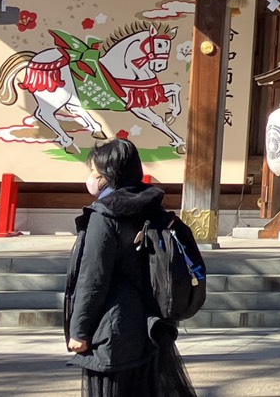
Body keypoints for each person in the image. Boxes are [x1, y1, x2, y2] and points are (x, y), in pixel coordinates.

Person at [65, 137, 198, 397]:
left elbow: (94, 277)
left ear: (107, 176)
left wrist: (79, 331)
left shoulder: (104, 217)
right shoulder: (155, 210)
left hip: (112, 328)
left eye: (94, 171)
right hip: (152, 325)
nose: (92, 178)